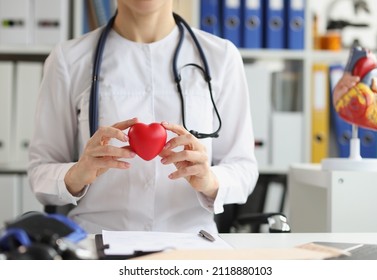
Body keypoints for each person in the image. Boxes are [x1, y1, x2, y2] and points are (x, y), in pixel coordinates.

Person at [27, 0, 258, 234]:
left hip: (191, 247)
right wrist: (76, 174)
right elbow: (40, 173)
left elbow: (244, 169)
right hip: (99, 245)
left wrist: (210, 179)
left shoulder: (221, 57)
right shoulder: (68, 59)